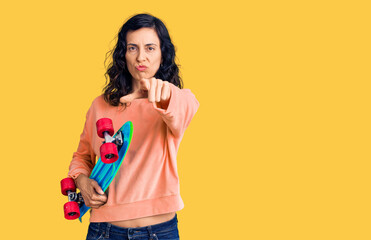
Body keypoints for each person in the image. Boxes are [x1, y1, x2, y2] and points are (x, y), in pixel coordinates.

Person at [67, 13, 199, 240]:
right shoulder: (100, 105)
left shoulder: (172, 101)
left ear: (162, 54)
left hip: (159, 231)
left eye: (150, 48)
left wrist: (160, 93)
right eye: (132, 48)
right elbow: (81, 157)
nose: (141, 57)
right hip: (104, 231)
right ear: (123, 55)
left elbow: (186, 106)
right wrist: (82, 182)